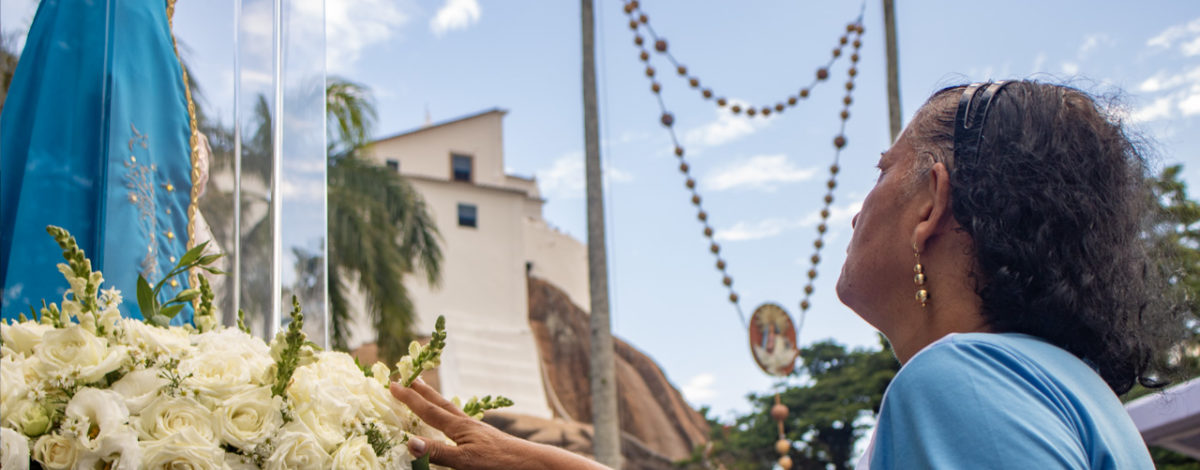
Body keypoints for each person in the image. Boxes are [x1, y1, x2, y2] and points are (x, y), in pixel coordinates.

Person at [391, 80, 1181, 469]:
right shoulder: (1065, 389)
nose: (857, 204)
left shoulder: (959, 381)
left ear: (930, 203)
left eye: (883, 170)